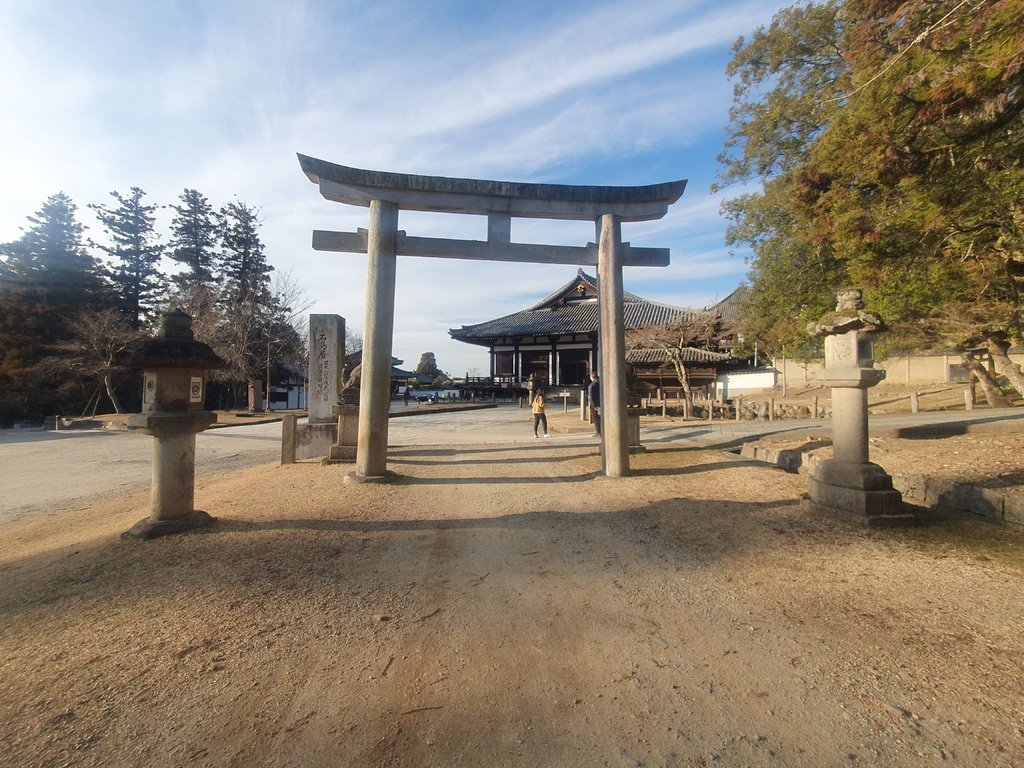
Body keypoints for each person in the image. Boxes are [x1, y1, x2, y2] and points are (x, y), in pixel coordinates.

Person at [587, 371, 601, 436]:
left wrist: (593, 404)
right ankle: (602, 430)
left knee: (595, 417)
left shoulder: (591, 385)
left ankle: (598, 431)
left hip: (595, 404)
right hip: (601, 402)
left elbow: (591, 397)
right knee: (601, 417)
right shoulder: (601, 384)